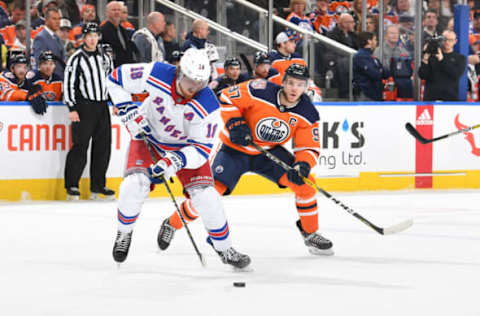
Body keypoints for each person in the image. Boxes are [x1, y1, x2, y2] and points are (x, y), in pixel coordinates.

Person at [157, 64, 333, 257]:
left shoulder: (307, 112)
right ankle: (171, 224)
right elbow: (225, 97)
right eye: (290, 83)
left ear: (305, 87)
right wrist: (236, 123)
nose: (294, 89)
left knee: (306, 184)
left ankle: (310, 232)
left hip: (268, 152)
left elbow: (308, 147)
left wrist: (302, 164)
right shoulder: (260, 89)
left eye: (299, 85)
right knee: (209, 194)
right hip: (234, 150)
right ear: (283, 82)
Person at [106, 48, 251, 269]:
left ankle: (224, 248)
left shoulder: (209, 105)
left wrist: (174, 161)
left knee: (207, 196)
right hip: (148, 137)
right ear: (179, 71)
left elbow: (202, 148)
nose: (194, 88)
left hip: (185, 150)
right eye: (190, 80)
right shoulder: (156, 73)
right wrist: (126, 107)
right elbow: (115, 79)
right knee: (134, 185)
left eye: (200, 82)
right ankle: (124, 233)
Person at [63, 22, 115, 200]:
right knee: (80, 146)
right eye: (89, 36)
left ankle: (98, 185)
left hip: (102, 107)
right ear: (84, 38)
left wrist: (115, 102)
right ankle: (72, 185)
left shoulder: (105, 57)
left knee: (103, 147)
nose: (93, 39)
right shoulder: (76, 58)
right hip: (84, 107)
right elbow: (69, 84)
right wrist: (72, 107)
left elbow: (111, 81)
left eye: (95, 36)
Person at [418, 29, 467, 101]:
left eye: (450, 40)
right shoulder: (432, 56)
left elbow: (456, 74)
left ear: (455, 41)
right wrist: (425, 58)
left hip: (450, 99)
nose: (447, 42)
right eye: (445, 39)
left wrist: (441, 59)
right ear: (440, 40)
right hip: (431, 99)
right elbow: (422, 75)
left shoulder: (460, 58)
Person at [100, 1, 137, 67]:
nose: (117, 12)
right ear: (107, 13)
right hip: (112, 70)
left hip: (126, 69)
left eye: (119, 10)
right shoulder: (102, 31)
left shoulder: (124, 31)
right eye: (114, 10)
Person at [353, 31, 388, 101]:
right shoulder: (360, 56)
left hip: (375, 94)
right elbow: (374, 74)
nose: (376, 42)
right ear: (369, 41)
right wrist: (379, 70)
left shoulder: (371, 56)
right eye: (375, 40)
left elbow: (386, 73)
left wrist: (379, 70)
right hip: (366, 94)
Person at [32, 7, 65, 79]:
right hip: (49, 82)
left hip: (59, 79)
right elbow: (39, 63)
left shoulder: (56, 37)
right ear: (46, 20)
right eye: (54, 19)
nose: (58, 22)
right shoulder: (40, 38)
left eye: (59, 19)